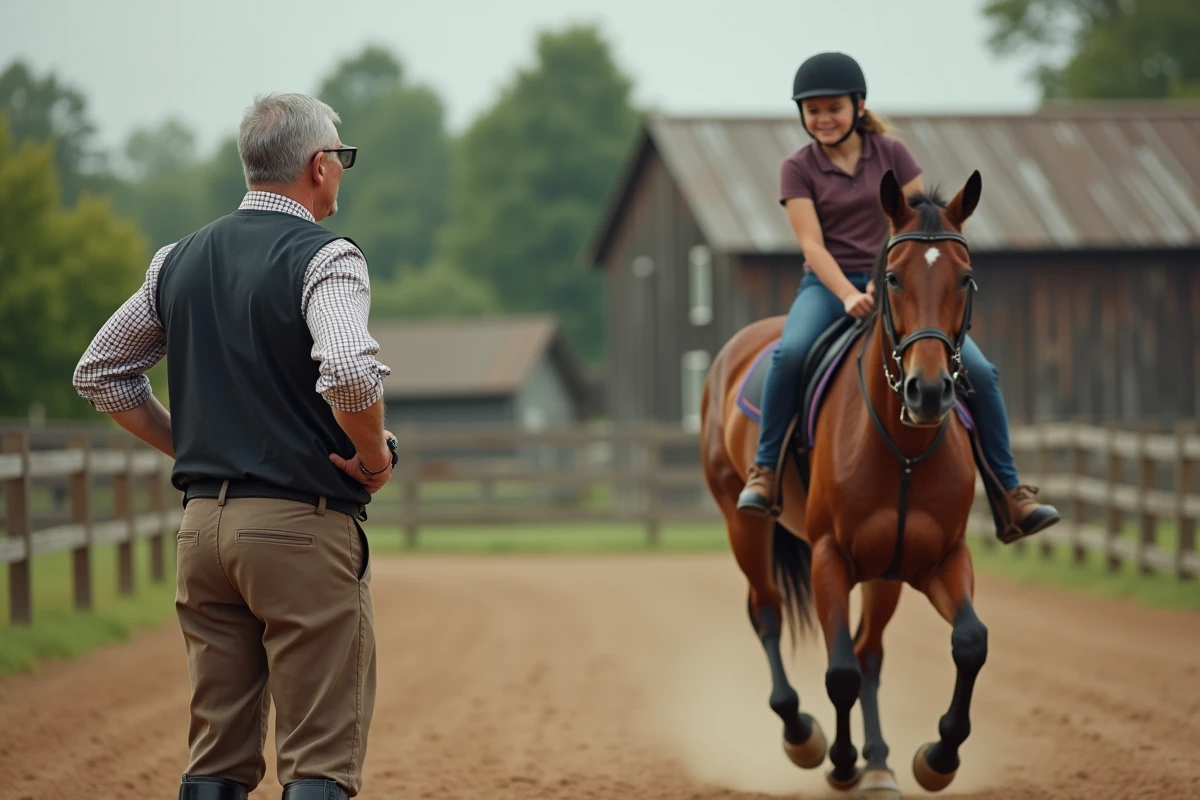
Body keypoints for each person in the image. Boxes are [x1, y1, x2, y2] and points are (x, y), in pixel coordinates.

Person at [72, 92, 393, 800]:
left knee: (217, 751)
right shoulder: (327, 256)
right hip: (298, 530)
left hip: (202, 532)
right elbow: (346, 367)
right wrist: (372, 459)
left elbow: (101, 372)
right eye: (342, 156)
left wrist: (193, 445)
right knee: (318, 756)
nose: (342, 169)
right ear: (318, 167)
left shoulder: (176, 260)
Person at [736, 52, 1060, 542]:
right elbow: (810, 244)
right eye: (813, 110)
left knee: (982, 373)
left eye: (833, 108)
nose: (823, 119)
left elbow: (921, 223)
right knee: (790, 353)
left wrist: (885, 280)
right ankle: (764, 472)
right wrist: (847, 293)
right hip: (828, 286)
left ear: (858, 105)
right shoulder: (796, 168)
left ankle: (1011, 492)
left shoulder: (893, 154)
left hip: (901, 282)